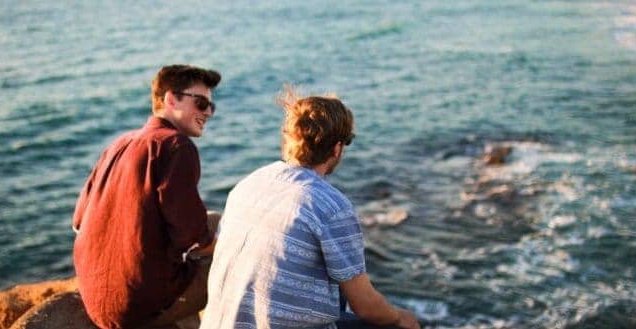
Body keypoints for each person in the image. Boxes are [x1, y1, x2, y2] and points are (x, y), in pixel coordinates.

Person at [199, 87, 420, 329]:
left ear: (288, 139)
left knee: (339, 279)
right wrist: (401, 318)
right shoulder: (331, 206)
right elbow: (365, 305)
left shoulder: (249, 183)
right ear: (337, 148)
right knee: (395, 322)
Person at [72, 64, 221, 329]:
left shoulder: (119, 144)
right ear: (170, 99)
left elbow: (78, 222)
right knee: (230, 256)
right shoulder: (177, 147)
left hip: (94, 299)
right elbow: (192, 238)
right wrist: (225, 248)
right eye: (200, 103)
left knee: (210, 222)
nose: (208, 112)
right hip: (137, 305)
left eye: (211, 106)